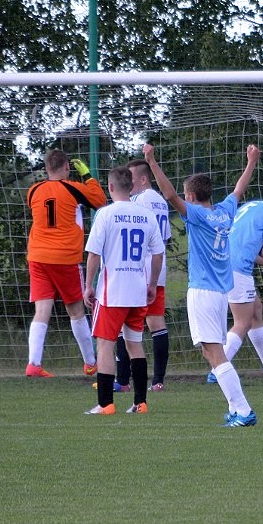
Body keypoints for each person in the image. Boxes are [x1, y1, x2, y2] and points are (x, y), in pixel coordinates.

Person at [144, 142, 260, 427]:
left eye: (186, 195)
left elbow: (169, 194)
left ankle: (244, 411)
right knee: (210, 351)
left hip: (203, 291)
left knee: (215, 353)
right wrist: (251, 162)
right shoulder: (224, 211)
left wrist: (152, 161)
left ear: (192, 197)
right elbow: (239, 189)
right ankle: (236, 409)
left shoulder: (197, 215)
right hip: (219, 292)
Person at [82, 166, 164, 415]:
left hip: (112, 292)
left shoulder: (105, 214)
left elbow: (94, 254)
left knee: (105, 345)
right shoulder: (146, 215)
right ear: (131, 186)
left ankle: (105, 404)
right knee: (135, 345)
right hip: (137, 291)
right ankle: (140, 403)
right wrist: (152, 284)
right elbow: (158, 253)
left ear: (110, 187)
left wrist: (88, 285)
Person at [25, 148, 107, 378]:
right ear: (67, 167)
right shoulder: (73, 188)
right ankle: (90, 363)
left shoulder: (33, 190)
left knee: (42, 310)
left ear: (46, 168)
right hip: (65, 257)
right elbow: (100, 201)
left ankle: (33, 364)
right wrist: (88, 176)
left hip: (37, 256)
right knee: (76, 310)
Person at [207, 188, 263, 384]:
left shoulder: (252, 205)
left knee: (256, 309)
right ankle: (217, 369)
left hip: (222, 263)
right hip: (238, 269)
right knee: (243, 322)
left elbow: (241, 243)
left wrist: (262, 262)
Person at [111, 154, 173, 392]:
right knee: (156, 322)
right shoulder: (161, 202)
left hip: (136, 269)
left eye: (132, 179)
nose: (129, 184)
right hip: (158, 268)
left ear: (144, 179)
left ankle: (122, 380)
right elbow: (164, 239)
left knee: (123, 322)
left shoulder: (137, 201)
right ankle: (158, 380)